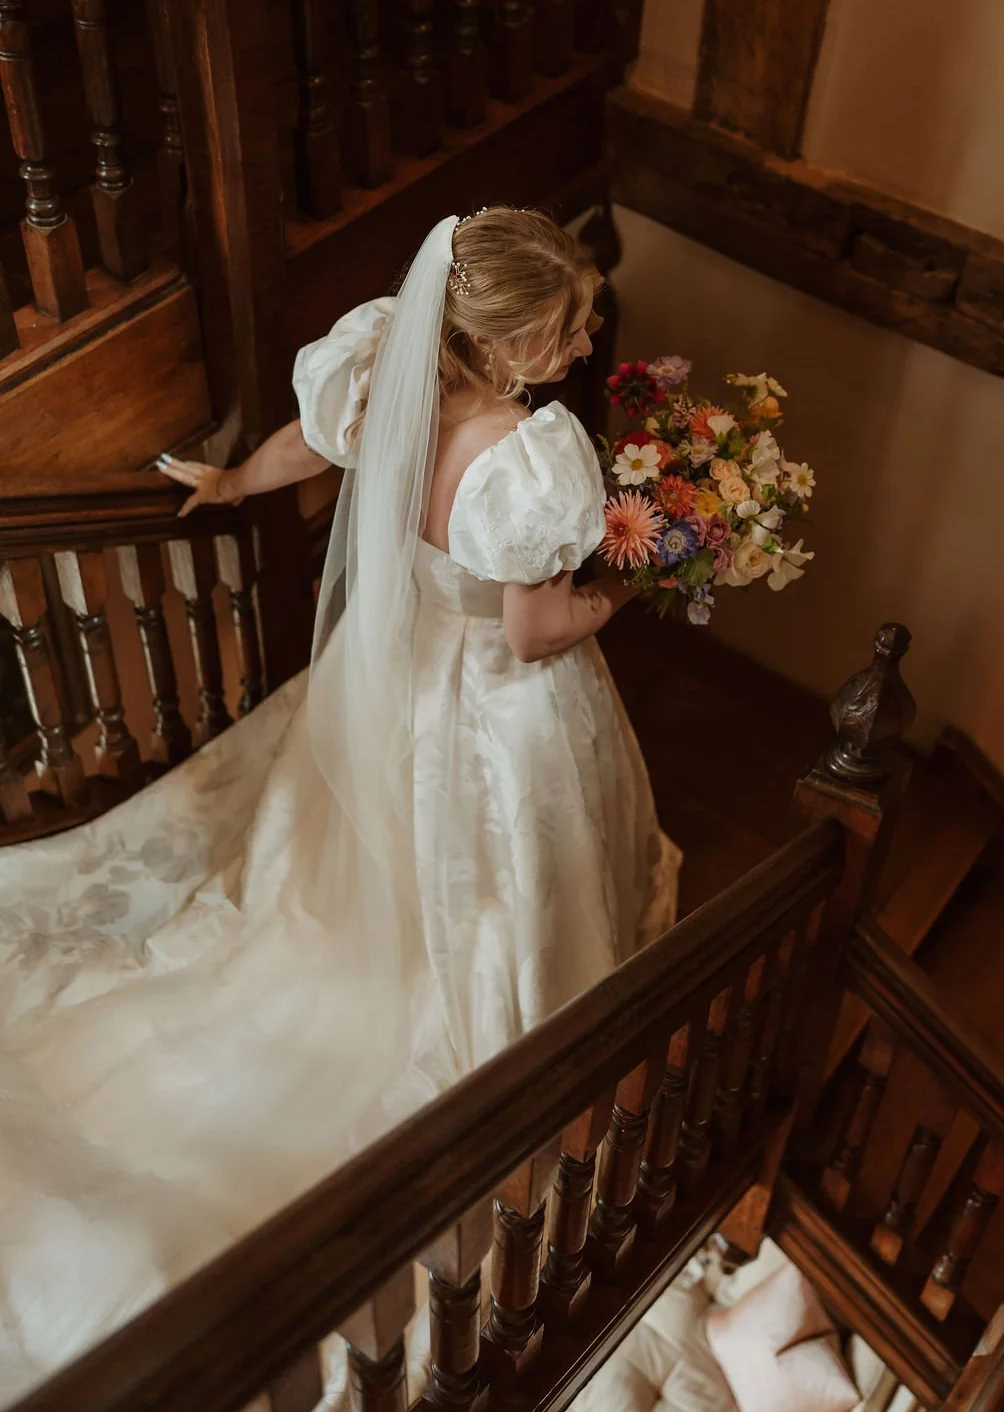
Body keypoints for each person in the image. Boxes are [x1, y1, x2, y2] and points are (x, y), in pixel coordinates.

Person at [0, 208, 680, 1398]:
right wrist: (630, 580)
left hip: (397, 675)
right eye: (568, 329)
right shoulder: (527, 462)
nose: (583, 346)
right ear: (508, 341)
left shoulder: (387, 370)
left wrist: (229, 480)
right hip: (494, 705)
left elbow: (303, 448)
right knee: (501, 871)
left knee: (398, 847)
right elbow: (532, 636)